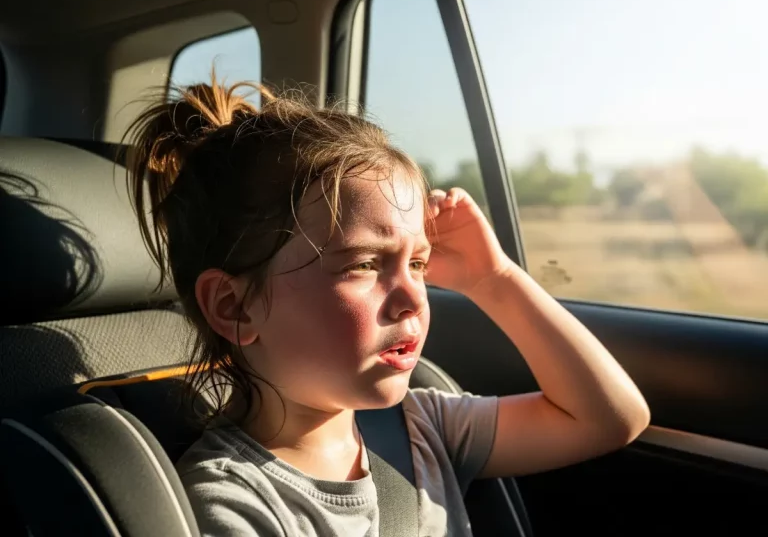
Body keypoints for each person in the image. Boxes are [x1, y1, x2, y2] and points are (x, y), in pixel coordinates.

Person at [125, 76, 650, 537]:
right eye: (363, 265)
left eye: (418, 264)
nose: (411, 298)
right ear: (234, 308)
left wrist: (497, 278)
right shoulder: (232, 505)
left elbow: (609, 418)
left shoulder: (424, 427)